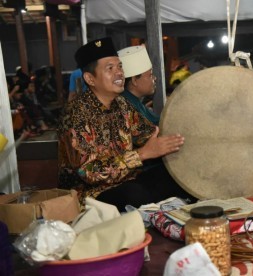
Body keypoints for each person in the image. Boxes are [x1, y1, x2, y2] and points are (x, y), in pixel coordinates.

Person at [57, 37, 194, 211]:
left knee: (175, 177)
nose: (119, 73)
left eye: (120, 66)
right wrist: (142, 154)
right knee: (135, 195)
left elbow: (149, 134)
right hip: (89, 194)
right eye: (110, 68)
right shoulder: (75, 114)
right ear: (90, 79)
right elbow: (89, 172)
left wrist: (186, 136)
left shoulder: (121, 105)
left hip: (127, 182)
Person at [117, 45, 160, 125]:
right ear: (134, 80)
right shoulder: (128, 107)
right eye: (150, 75)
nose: (155, 78)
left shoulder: (131, 101)